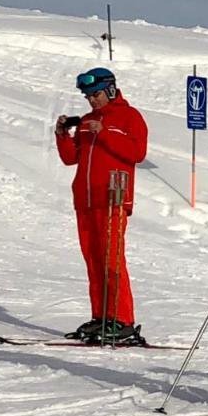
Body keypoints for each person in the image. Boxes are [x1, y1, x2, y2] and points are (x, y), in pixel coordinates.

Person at [55, 67, 149, 345]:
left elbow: (137, 153)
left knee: (111, 258)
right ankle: (102, 316)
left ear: (110, 90)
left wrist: (106, 132)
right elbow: (71, 158)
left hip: (113, 198)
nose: (91, 100)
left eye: (95, 94)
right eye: (87, 96)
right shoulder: (86, 121)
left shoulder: (129, 117)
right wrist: (62, 135)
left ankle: (122, 319)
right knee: (93, 259)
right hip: (85, 199)